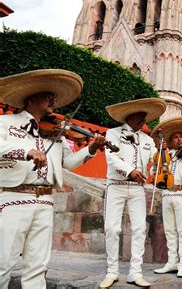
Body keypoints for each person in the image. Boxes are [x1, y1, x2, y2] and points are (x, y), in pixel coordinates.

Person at [0, 69, 106, 289]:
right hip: (13, 199)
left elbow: (68, 163)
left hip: (45, 202)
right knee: (3, 262)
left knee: (38, 265)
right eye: (48, 96)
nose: (53, 100)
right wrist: (26, 152)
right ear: (31, 98)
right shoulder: (6, 123)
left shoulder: (55, 133)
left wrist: (91, 149)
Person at [99, 98, 167, 288]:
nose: (144, 120)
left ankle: (135, 273)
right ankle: (112, 272)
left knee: (139, 229)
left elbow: (155, 161)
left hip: (137, 188)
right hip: (116, 185)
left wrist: (163, 155)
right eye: (140, 116)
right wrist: (130, 171)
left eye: (145, 117)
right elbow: (110, 158)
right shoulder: (112, 133)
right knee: (112, 228)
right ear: (129, 115)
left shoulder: (147, 140)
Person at [152, 117, 182, 278]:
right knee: (170, 230)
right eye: (175, 137)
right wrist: (161, 153)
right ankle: (171, 262)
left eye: (181, 137)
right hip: (166, 193)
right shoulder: (165, 155)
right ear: (170, 141)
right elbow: (154, 172)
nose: (179, 139)